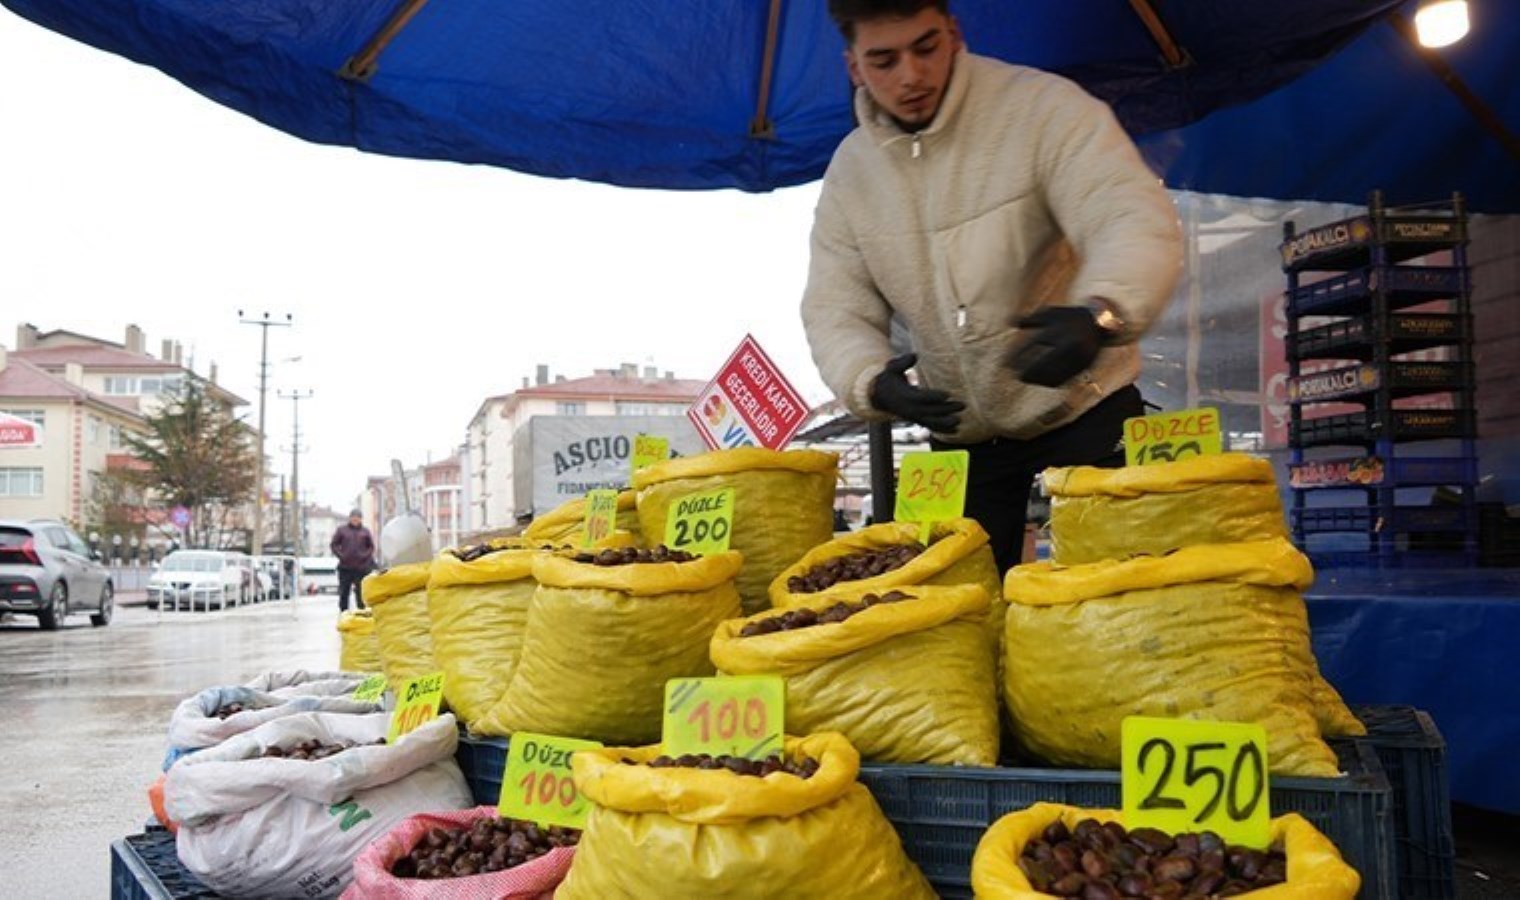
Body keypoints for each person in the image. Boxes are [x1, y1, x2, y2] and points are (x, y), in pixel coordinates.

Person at [801, 0, 1183, 574]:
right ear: (854, 66)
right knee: (958, 614)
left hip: (1088, 407)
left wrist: (1103, 314)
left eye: (926, 47)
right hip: (961, 434)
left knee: (1126, 596)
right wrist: (871, 381)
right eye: (884, 60)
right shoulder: (850, 175)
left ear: (954, 33)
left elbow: (1128, 215)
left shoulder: (1043, 109)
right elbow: (834, 304)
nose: (911, 75)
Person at [329, 509, 375, 612]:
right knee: (344, 592)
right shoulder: (342, 530)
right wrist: (342, 555)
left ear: (360, 519)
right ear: (350, 518)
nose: (355, 519)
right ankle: (343, 613)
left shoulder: (365, 531)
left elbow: (371, 547)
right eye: (353, 517)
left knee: (360, 593)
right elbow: (334, 545)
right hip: (345, 567)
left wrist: (364, 556)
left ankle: (362, 613)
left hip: (361, 568)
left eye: (357, 517)